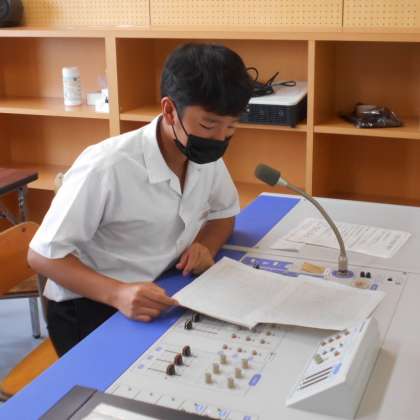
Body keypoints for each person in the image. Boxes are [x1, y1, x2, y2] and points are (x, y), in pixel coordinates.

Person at [27, 43, 253, 356]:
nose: (220, 138)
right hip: (91, 304)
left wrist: (206, 246)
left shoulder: (203, 154)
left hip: (163, 285)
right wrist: (117, 293)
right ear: (169, 110)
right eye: (208, 124)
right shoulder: (107, 166)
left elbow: (223, 214)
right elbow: (42, 256)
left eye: (231, 127)